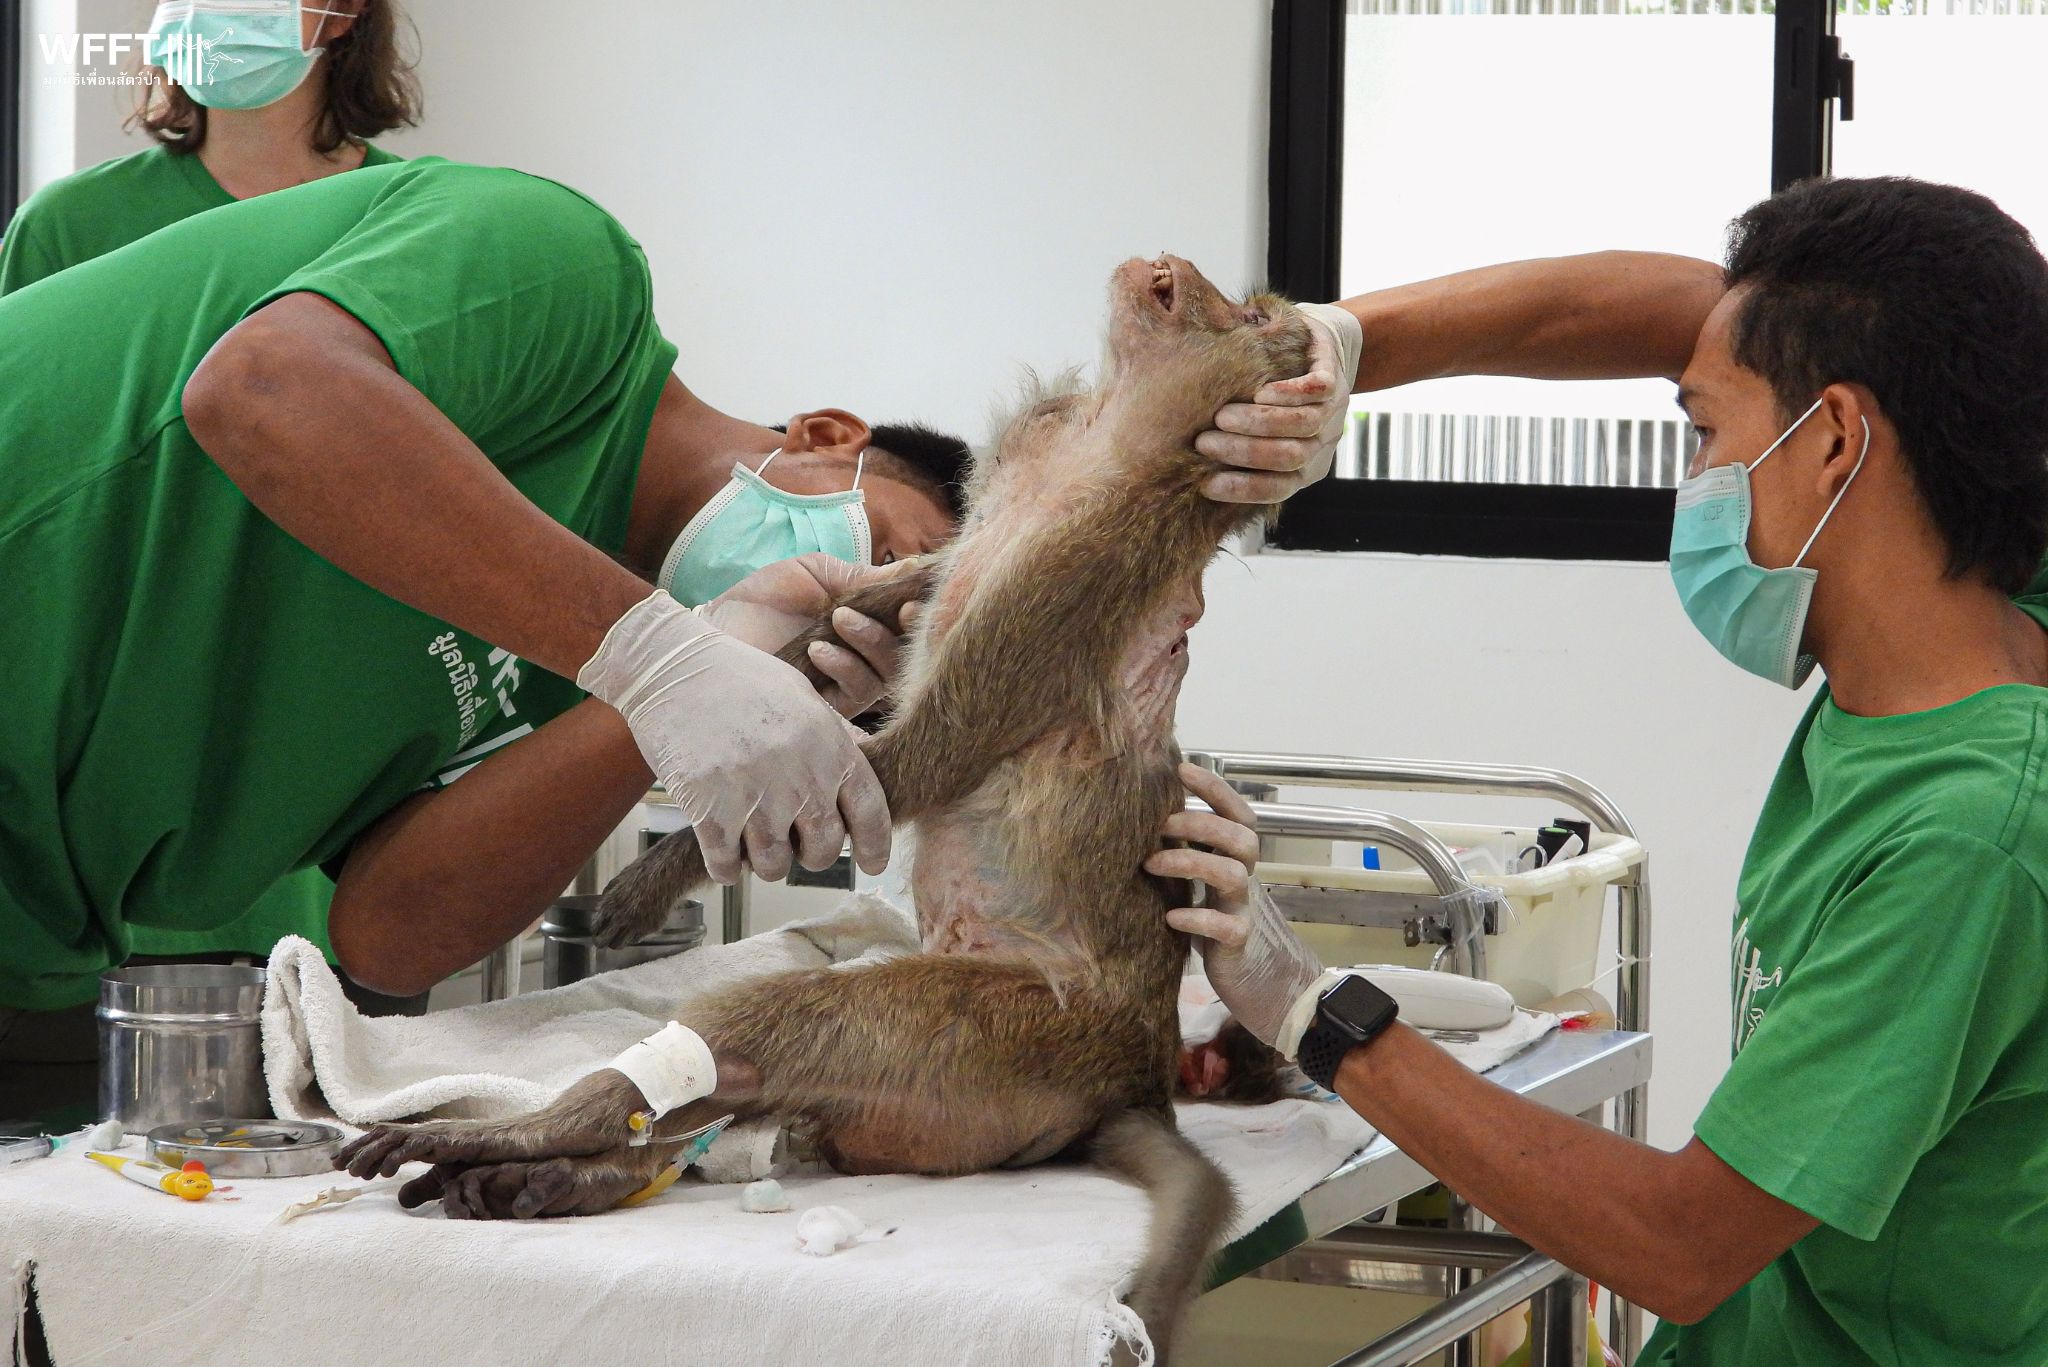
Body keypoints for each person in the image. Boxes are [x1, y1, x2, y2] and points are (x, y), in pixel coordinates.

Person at [1176, 175, 2048, 1363]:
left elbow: (1676, 1243)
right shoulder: (1987, 606)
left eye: (1704, 434)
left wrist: (1309, 1010)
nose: (1693, 485)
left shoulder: (1967, 841)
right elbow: (1712, 317)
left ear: (1835, 439)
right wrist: (1338, 348)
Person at [0, 155, 971, 1118]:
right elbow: (262, 388)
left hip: (32, 933)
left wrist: (692, 674)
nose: (846, 599)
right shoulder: (571, 274)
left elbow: (389, 933)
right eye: (891, 550)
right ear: (827, 435)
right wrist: (657, 656)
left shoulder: (599, 672)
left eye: (869, 649)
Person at [0, 0, 425, 1021]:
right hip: (110, 711)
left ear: (342, 15)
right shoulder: (72, 228)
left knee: (310, 1048)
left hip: (317, 711)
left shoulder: (412, 223)